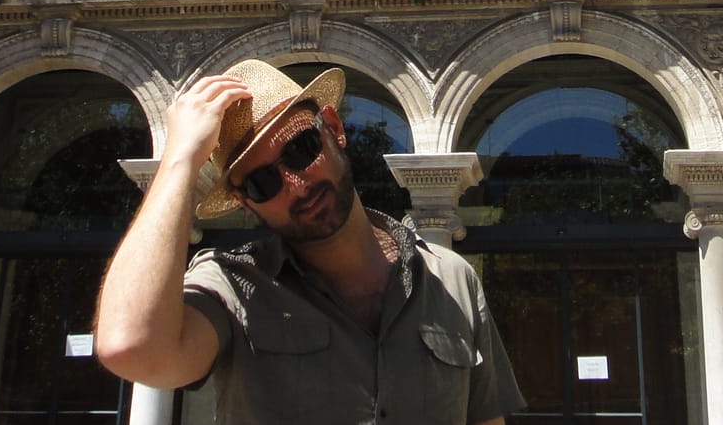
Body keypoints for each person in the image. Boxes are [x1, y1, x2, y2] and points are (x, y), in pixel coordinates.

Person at [95, 60, 524, 424]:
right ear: (245, 202)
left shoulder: (451, 278)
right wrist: (180, 159)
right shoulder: (232, 288)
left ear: (334, 128)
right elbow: (130, 347)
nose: (296, 185)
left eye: (301, 147)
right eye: (263, 182)